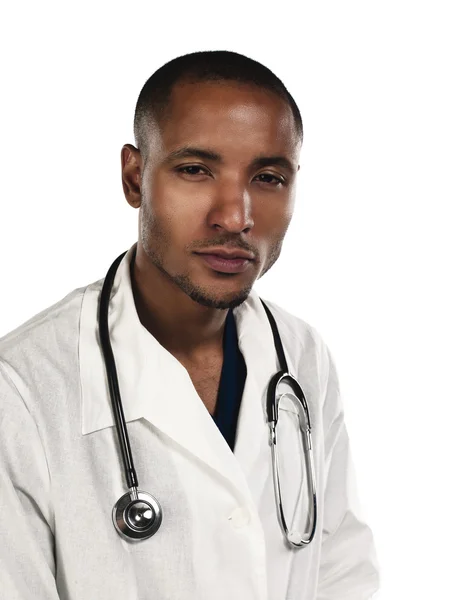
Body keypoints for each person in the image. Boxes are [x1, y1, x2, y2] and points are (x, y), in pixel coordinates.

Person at [0, 50, 380, 599]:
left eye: (268, 176)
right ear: (134, 178)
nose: (235, 215)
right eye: (195, 170)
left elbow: (342, 570)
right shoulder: (23, 390)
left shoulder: (301, 354)